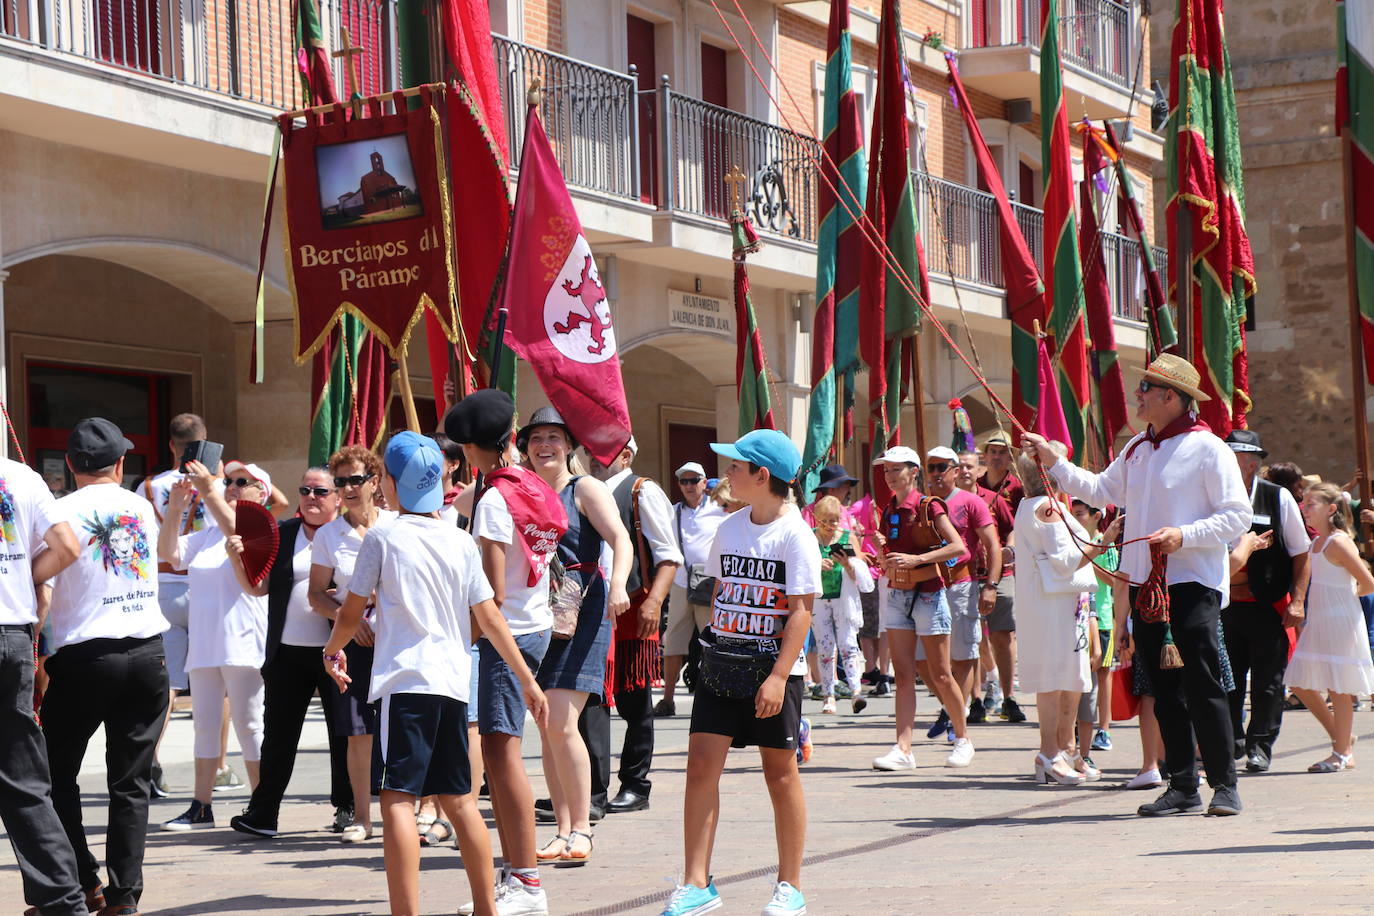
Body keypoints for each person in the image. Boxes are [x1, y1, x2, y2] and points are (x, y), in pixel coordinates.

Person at [322, 431, 548, 916]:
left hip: (405, 684)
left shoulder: (384, 535)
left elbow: (350, 612)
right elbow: (489, 617)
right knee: (461, 800)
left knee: (397, 801)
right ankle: (488, 907)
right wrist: (527, 679)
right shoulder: (459, 538)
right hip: (451, 683)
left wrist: (332, 650)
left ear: (391, 484)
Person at [1023, 352, 1251, 817]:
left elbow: (1237, 517)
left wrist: (1183, 535)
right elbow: (1101, 490)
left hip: (1192, 584)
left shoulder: (1209, 449)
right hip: (1149, 586)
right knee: (1162, 692)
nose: (1137, 395)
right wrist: (1056, 463)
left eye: (1145, 388)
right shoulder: (1137, 449)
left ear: (1172, 396)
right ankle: (1182, 785)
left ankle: (1225, 785)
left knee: (1204, 685)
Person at [659, 429, 818, 916]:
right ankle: (696, 884)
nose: (725, 473)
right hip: (722, 663)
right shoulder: (728, 528)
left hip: (773, 672)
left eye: (735, 465)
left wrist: (777, 677)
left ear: (761, 475)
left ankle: (790, 885)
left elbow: (801, 612)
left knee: (780, 776)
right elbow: (723, 593)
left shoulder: (795, 534)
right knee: (700, 768)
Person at [446, 388, 565, 915]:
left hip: (507, 633)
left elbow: (490, 594)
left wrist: (464, 637)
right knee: (502, 753)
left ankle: (526, 882)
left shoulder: (494, 500)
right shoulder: (529, 485)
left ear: (475, 448)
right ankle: (521, 874)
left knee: (502, 756)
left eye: (463, 446)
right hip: (533, 623)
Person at [32, 421, 154, 916]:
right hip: (148, 652)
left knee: (53, 774)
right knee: (131, 782)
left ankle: (82, 880)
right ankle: (123, 897)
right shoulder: (140, 505)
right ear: (120, 463)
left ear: (71, 465)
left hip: (85, 656)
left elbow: (41, 580)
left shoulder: (60, 512)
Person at [517, 407, 631, 862]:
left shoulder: (585, 487)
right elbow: (463, 500)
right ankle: (563, 830)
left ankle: (582, 828)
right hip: (537, 613)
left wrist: (620, 583)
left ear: (570, 446)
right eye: (535, 438)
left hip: (581, 609)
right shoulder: (521, 491)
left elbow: (620, 539)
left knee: (562, 722)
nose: (544, 445)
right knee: (547, 726)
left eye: (553, 437)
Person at [228, 468, 353, 839]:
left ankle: (347, 806)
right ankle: (264, 812)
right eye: (305, 490)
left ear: (337, 497)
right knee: (278, 735)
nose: (311, 497)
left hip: (336, 651)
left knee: (342, 733)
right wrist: (238, 559)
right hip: (286, 652)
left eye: (320, 491)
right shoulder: (282, 534)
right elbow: (258, 588)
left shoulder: (348, 536)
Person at [157, 459, 270, 831]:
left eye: (244, 482)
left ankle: (261, 803)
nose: (234, 486)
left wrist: (208, 489)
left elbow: (234, 528)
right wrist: (175, 508)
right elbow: (169, 553)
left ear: (262, 493)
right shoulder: (208, 534)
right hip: (205, 643)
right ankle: (200, 805)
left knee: (250, 725)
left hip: (243, 642)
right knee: (204, 724)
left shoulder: (259, 529)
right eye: (231, 481)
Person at [584, 437, 681, 816]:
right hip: (591, 610)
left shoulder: (642, 490)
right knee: (591, 703)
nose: (592, 457)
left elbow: (669, 555)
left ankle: (635, 784)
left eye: (601, 451)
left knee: (634, 702)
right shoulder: (582, 489)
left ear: (625, 455)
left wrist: (655, 602)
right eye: (589, 450)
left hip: (633, 609)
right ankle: (591, 788)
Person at [309, 446, 396, 843]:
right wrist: (348, 621)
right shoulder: (329, 534)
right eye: (339, 481)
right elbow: (316, 595)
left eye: (354, 480)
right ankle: (363, 818)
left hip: (397, 639)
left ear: (374, 482)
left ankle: (419, 810)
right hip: (354, 642)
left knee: (404, 726)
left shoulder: (396, 525)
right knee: (358, 732)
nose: (345, 488)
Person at [868, 446, 973, 770]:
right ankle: (903, 747)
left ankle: (962, 738)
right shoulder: (888, 510)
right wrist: (881, 559)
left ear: (914, 472)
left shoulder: (929, 505)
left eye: (896, 470)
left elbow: (959, 547)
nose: (889, 476)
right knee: (903, 675)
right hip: (898, 593)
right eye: (886, 470)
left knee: (941, 673)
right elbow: (890, 549)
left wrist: (918, 559)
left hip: (930, 592)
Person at [139, 412, 219, 797]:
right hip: (205, 587)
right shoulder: (216, 484)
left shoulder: (151, 485)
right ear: (204, 443)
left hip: (164, 586)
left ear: (172, 445)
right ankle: (218, 765)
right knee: (216, 681)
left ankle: (150, 760)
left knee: (168, 685)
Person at [1223, 429, 1310, 773]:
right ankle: (1231, 740)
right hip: (1223, 606)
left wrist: (1298, 601)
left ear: (1252, 464)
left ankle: (1260, 745)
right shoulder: (1210, 497)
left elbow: (1302, 553)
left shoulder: (1278, 498)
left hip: (1267, 606)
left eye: (1238, 461)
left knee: (1267, 682)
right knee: (1225, 679)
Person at [1285, 483, 1374, 773]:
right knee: (1299, 681)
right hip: (1320, 619)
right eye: (1305, 503)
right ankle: (1342, 739)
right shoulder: (1317, 543)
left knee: (1338, 686)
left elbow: (1368, 582)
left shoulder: (1338, 541)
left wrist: (1344, 602)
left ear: (1331, 509)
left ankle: (1342, 752)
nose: (1305, 509)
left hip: (1340, 619)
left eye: (1311, 504)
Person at [921, 446, 1000, 731]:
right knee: (922, 660)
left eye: (942, 467)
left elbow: (993, 546)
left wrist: (990, 586)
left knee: (963, 656)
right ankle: (951, 705)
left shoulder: (970, 502)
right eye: (931, 467)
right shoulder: (922, 503)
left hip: (962, 584)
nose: (936, 474)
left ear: (955, 471)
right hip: (927, 587)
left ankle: (956, 719)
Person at [657, 461, 727, 717]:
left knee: (712, 641)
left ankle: (715, 697)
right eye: (683, 481)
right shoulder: (673, 511)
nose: (688, 486)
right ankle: (667, 699)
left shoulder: (720, 509)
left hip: (709, 584)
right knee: (673, 642)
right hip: (680, 583)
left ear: (703, 482)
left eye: (693, 480)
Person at [958, 449, 1023, 722]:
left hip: (999, 575)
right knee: (970, 640)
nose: (964, 471)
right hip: (963, 577)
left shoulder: (992, 498)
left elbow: (1010, 527)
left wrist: (1010, 548)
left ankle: (1008, 697)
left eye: (969, 466)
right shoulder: (944, 502)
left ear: (978, 468)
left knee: (1002, 636)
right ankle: (975, 700)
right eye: (959, 466)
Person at [810, 495, 873, 714]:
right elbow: (799, 566)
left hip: (843, 600)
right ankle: (829, 694)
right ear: (816, 518)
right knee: (825, 647)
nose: (829, 526)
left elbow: (861, 575)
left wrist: (847, 564)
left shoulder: (848, 537)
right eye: (825, 520)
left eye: (834, 520)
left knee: (848, 645)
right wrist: (817, 564)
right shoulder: (809, 539)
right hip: (819, 600)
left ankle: (856, 692)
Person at [1069, 500, 1122, 758]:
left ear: (1095, 516)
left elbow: (1114, 580)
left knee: (1103, 674)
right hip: (1079, 619)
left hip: (1101, 618)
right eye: (1073, 513)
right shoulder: (1072, 541)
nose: (1076, 519)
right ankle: (1079, 727)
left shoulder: (1105, 542)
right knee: (1080, 677)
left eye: (1080, 514)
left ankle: (1104, 728)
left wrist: (1092, 556)